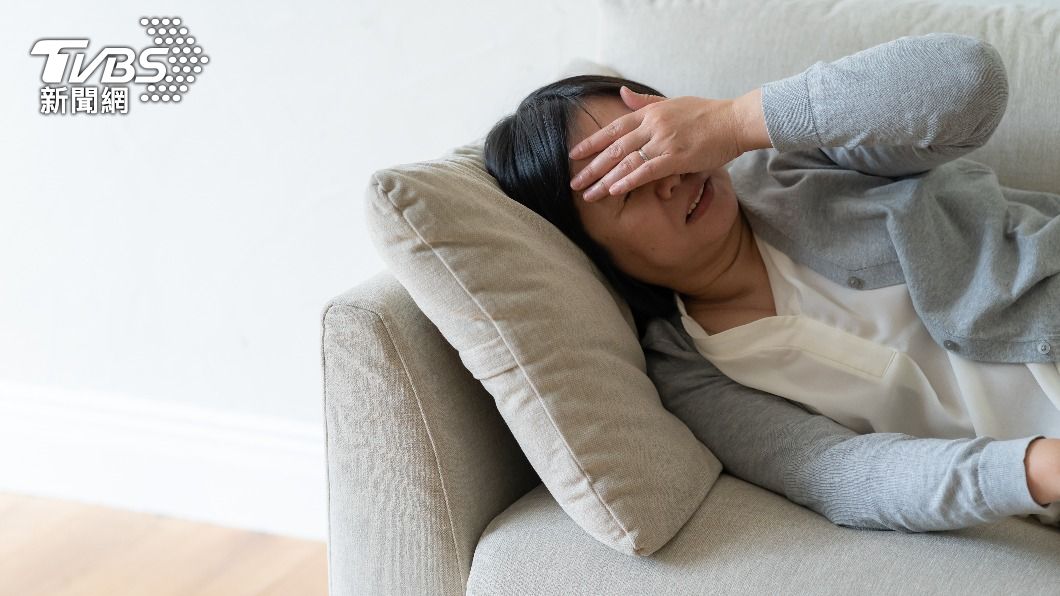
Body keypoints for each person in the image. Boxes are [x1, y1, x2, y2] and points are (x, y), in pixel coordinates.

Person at [483, 31, 1060, 531]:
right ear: (592, 253)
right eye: (631, 180)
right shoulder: (691, 376)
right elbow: (840, 475)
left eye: (656, 137)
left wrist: (735, 122)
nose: (671, 175)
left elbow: (970, 80)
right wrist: (1035, 469)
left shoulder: (798, 162)